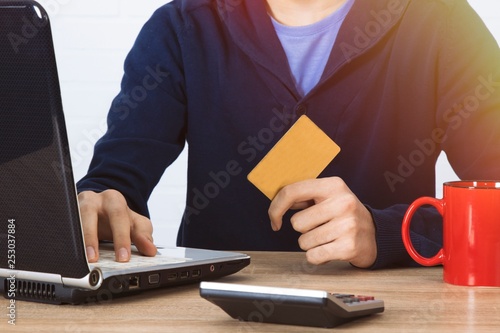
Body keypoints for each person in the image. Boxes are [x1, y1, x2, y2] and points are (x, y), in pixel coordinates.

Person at [76, 0, 500, 269]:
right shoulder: (182, 28)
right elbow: (114, 184)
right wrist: (97, 205)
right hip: (217, 312)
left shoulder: (443, 23)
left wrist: (386, 232)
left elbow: (494, 205)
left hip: (390, 310)